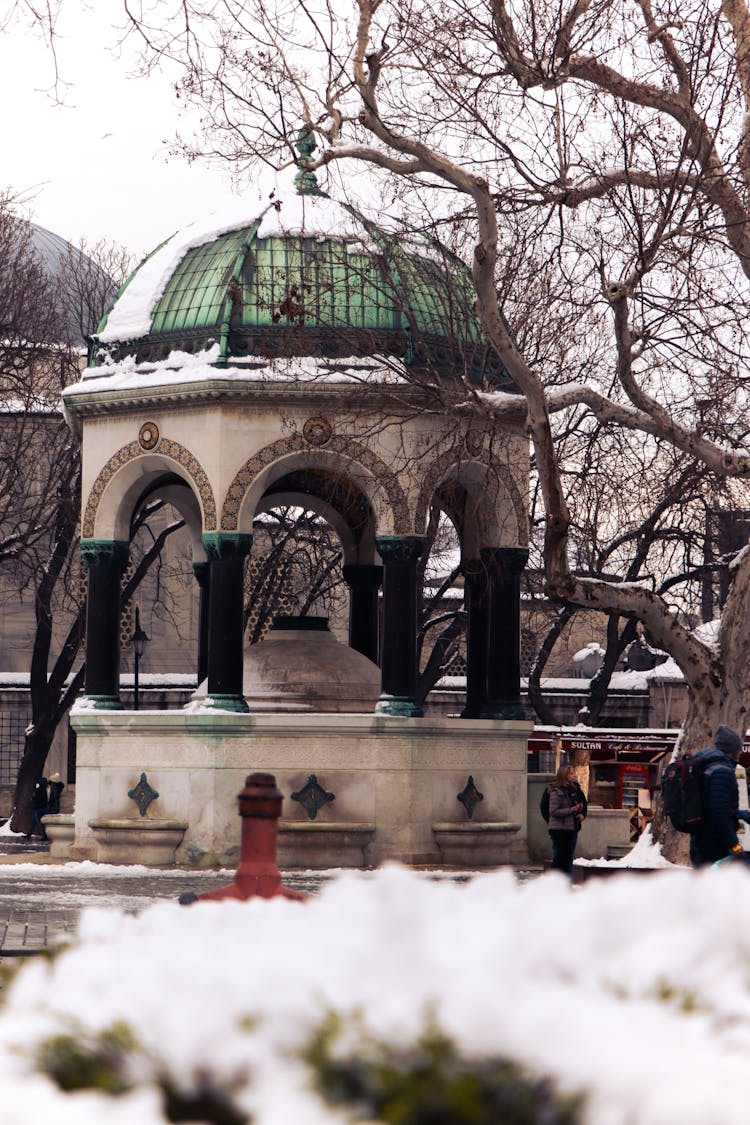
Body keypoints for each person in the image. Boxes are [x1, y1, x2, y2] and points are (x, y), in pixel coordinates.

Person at [689, 725, 745, 868]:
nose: (740, 751)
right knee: (717, 887)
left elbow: (713, 804)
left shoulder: (707, 767)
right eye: (739, 748)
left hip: (699, 838)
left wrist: (741, 814)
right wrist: (734, 844)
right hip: (715, 844)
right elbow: (719, 812)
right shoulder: (722, 772)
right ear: (733, 750)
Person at [548, 763, 586, 876]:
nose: (573, 775)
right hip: (559, 829)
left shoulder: (574, 788)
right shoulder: (556, 791)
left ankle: (566, 881)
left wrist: (581, 810)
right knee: (559, 857)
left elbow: (583, 801)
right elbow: (553, 811)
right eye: (571, 773)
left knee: (568, 857)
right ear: (564, 775)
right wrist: (571, 810)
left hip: (571, 827)